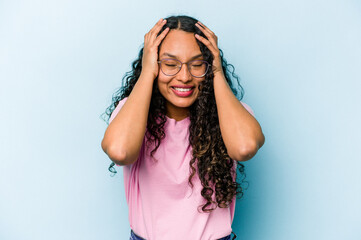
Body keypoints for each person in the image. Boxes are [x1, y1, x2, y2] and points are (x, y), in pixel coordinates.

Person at [101, 15, 265, 240]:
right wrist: (148, 73)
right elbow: (119, 151)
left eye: (197, 65)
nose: (185, 76)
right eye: (170, 65)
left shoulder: (231, 114)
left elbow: (245, 147)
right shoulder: (131, 114)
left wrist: (217, 71)